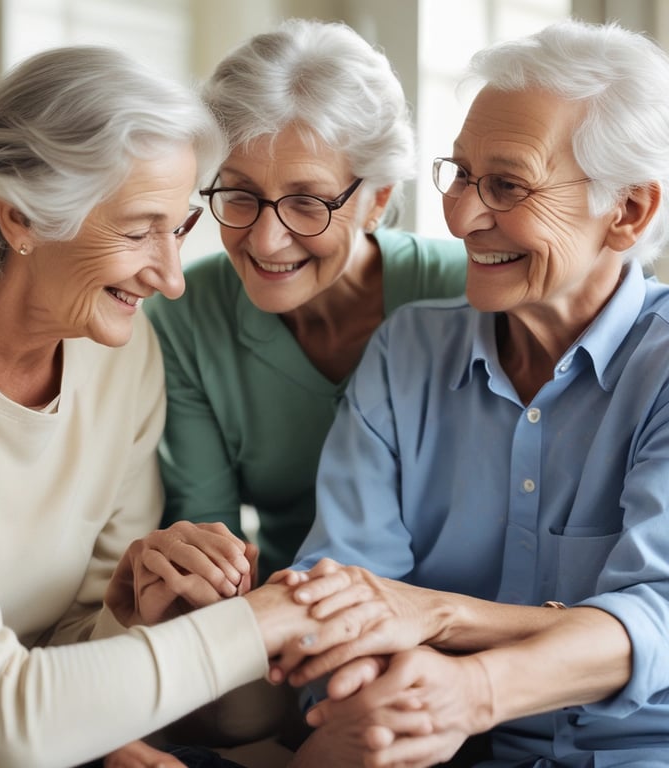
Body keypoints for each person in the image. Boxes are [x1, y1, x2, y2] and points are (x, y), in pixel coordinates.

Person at [0, 45, 378, 768]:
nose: (171, 278)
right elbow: (6, 721)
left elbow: (70, 644)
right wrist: (273, 615)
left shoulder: (117, 351)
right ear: (21, 218)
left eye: (180, 228)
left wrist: (132, 610)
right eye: (137, 230)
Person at [284, 18, 669, 768]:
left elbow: (655, 618)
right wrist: (363, 680)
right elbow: (341, 588)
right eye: (458, 174)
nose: (460, 217)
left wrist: (444, 634)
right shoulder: (408, 351)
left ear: (627, 212)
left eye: (506, 184)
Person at [144, 17, 467, 586]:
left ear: (376, 200)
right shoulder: (186, 319)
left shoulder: (464, 295)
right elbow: (209, 544)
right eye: (240, 193)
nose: (266, 240)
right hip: (293, 618)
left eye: (308, 202)